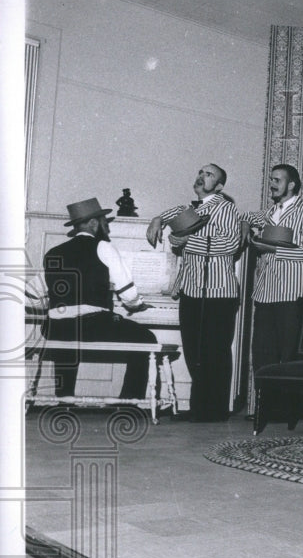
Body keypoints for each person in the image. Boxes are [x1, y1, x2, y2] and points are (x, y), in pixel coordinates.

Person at [146, 164, 241, 422]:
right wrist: (158, 219)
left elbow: (231, 244)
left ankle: (216, 410)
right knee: (193, 351)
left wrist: (189, 241)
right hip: (192, 290)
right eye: (200, 172)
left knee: (215, 352)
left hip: (218, 292)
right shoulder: (190, 209)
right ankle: (200, 408)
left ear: (220, 186)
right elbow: (174, 212)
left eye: (209, 175)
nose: (201, 176)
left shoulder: (225, 208)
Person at [42, 197, 157, 398]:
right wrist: (137, 305)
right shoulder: (103, 246)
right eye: (105, 222)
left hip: (55, 327)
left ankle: (64, 399)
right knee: (146, 338)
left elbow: (34, 294)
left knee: (67, 335)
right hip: (91, 326)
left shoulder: (54, 252)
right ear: (94, 223)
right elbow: (128, 293)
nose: (107, 227)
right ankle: (130, 401)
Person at [242, 164, 303, 372]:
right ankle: (264, 405)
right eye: (271, 179)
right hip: (264, 295)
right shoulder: (270, 212)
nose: (272, 184)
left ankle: (285, 405)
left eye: (277, 180)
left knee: (289, 359)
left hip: (291, 296)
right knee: (261, 357)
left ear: (292, 184)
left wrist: (273, 250)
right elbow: (247, 217)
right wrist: (244, 226)